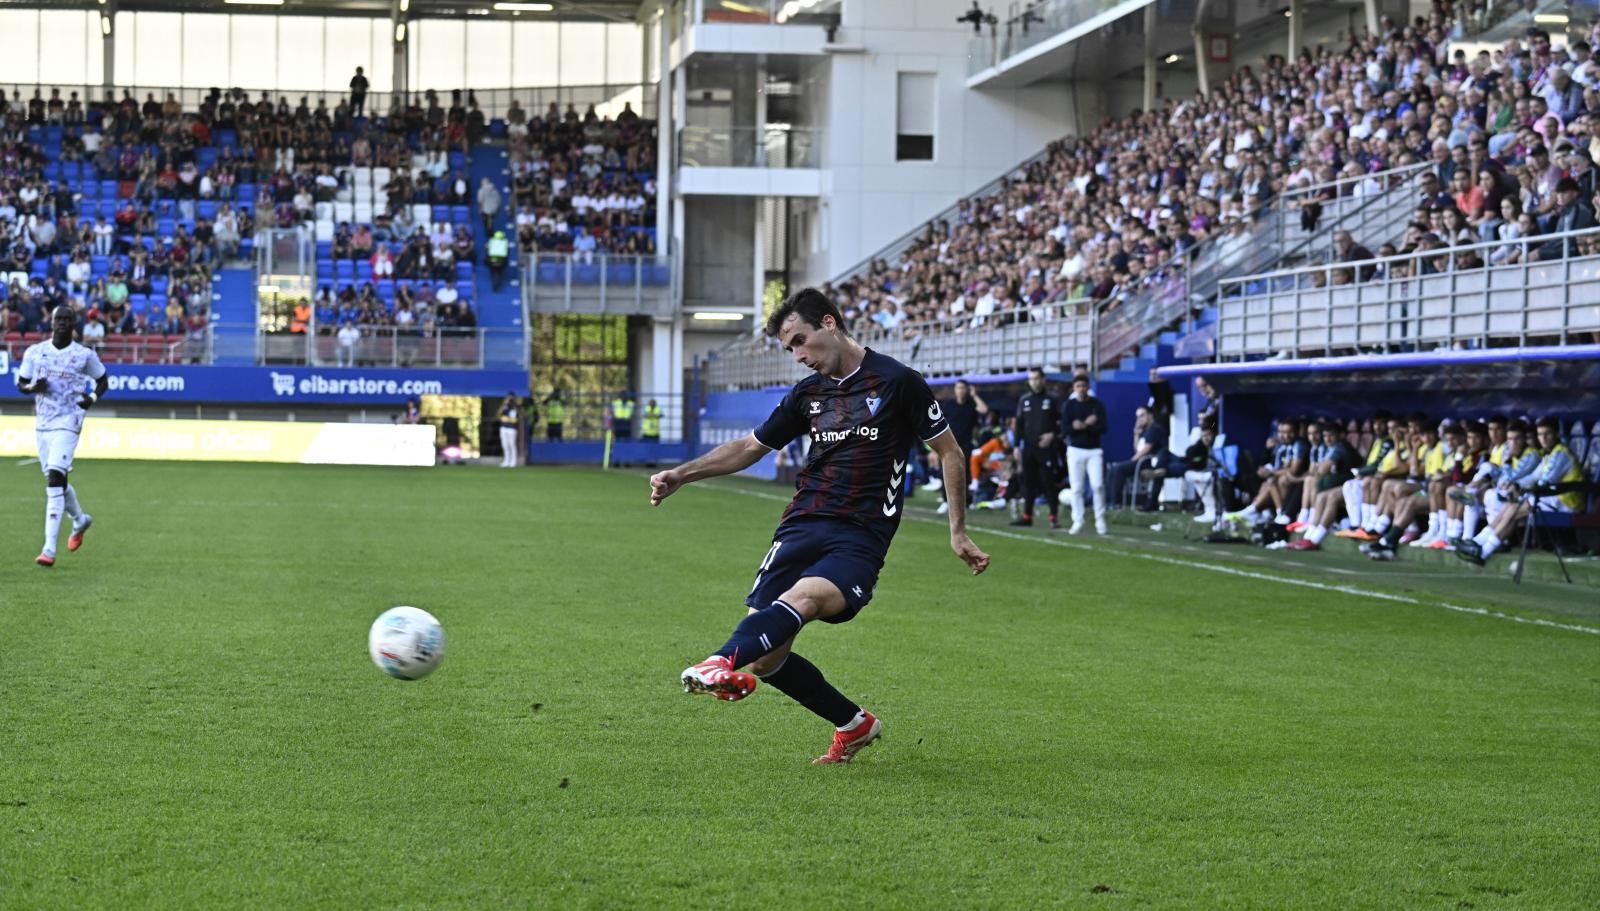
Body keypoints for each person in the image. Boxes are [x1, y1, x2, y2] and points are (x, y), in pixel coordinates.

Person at [648, 288, 990, 764]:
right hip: (799, 527)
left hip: (859, 536)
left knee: (802, 601)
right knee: (767, 658)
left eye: (800, 341)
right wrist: (681, 474)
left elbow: (950, 452)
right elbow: (750, 448)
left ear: (829, 323)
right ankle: (855, 725)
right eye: (790, 348)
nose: (798, 355)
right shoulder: (807, 394)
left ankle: (718, 660)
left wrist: (957, 530)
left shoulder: (897, 381)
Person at [15, 306, 109, 568]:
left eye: (67, 320)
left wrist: (90, 398)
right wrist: (34, 387)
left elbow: (103, 380)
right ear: (52, 322)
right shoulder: (36, 352)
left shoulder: (83, 355)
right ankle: (80, 520)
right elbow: (21, 384)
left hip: (70, 421)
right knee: (57, 480)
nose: (62, 324)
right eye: (59, 319)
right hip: (43, 424)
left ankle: (48, 549)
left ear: (74, 324)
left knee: (55, 478)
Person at [1012, 368, 1061, 528]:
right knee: (1028, 483)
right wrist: (1016, 446)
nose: (1034, 382)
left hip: (1046, 448)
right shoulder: (1024, 400)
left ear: (1043, 379)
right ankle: (1027, 516)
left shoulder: (1052, 399)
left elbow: (1062, 423)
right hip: (1029, 448)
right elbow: (1019, 425)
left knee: (1048, 482)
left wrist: (1052, 435)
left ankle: (1053, 517)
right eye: (1031, 379)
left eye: (1037, 378)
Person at [1059, 373, 1108, 535]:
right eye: (1078, 386)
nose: (1081, 389)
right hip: (1075, 450)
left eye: (1084, 386)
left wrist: (1088, 426)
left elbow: (1104, 428)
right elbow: (1065, 429)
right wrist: (1077, 427)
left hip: (1094, 450)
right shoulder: (1069, 406)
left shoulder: (1097, 405)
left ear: (1088, 387)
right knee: (1077, 487)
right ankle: (1078, 520)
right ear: (1074, 388)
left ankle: (1100, 519)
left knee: (1098, 485)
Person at [932, 379, 989, 516]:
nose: (960, 390)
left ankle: (963, 502)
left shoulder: (971, 406)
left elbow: (984, 410)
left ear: (967, 390)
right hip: (947, 444)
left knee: (964, 475)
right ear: (955, 390)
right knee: (944, 473)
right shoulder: (948, 405)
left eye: (963, 388)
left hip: (965, 445)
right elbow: (938, 423)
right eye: (958, 388)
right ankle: (946, 501)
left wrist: (974, 395)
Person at [497, 392, 522, 468]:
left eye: (511, 397)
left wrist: (515, 406)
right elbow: (498, 414)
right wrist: (505, 403)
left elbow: (519, 416)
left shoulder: (516, 406)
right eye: (509, 397)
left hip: (512, 428)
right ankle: (506, 460)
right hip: (504, 427)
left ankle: (513, 461)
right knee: (505, 445)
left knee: (512, 445)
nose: (510, 399)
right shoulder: (505, 406)